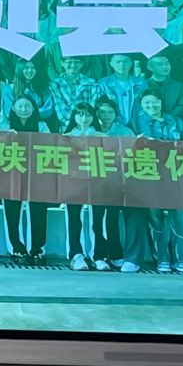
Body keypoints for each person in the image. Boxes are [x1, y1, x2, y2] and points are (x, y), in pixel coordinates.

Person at [133, 89, 183, 273]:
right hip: (151, 175)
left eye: (155, 102)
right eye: (147, 103)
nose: (151, 106)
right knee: (155, 217)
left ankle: (180, 259)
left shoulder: (176, 121)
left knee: (182, 217)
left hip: (177, 174)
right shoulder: (136, 122)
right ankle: (161, 258)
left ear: (161, 102)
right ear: (141, 105)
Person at [91, 99, 143, 272]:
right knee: (97, 221)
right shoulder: (91, 131)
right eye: (102, 112)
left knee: (112, 219)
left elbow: (134, 155)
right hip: (94, 184)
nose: (106, 116)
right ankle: (99, 255)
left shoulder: (125, 131)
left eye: (110, 112)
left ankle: (115, 253)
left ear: (116, 114)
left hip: (118, 183)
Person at [3, 94, 53, 262]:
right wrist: (5, 137)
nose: (24, 109)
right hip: (11, 173)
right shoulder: (6, 125)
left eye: (28, 106)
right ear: (13, 108)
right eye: (20, 106)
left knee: (38, 210)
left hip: (37, 174)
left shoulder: (42, 126)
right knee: (12, 210)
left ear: (33, 109)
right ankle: (16, 248)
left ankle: (37, 249)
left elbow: (50, 146)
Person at [64, 103, 103, 271]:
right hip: (73, 183)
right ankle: (76, 255)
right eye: (80, 114)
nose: (84, 118)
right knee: (74, 219)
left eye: (88, 115)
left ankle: (98, 255)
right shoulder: (65, 137)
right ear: (74, 116)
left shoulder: (102, 136)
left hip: (97, 183)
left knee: (98, 220)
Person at [143, 53, 183, 120]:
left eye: (167, 63)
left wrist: (168, 117)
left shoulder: (179, 86)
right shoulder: (143, 85)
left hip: (173, 121)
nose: (165, 67)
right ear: (150, 67)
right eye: (160, 64)